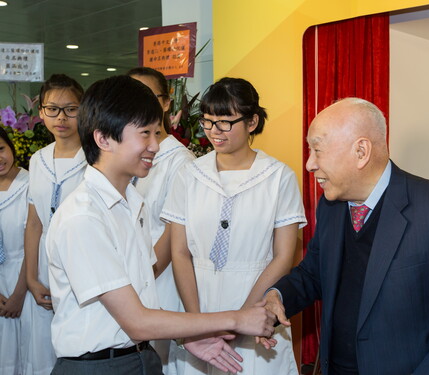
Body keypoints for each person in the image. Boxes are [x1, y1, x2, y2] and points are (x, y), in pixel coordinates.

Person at [45, 75, 276, 375]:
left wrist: (186, 336)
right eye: (144, 133)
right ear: (103, 139)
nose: (155, 145)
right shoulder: (84, 217)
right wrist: (236, 318)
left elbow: (140, 299)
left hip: (139, 357)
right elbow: (137, 321)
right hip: (101, 366)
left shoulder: (129, 202)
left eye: (157, 132)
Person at [262, 97, 429, 375]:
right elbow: (315, 273)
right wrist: (278, 297)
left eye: (317, 150)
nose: (309, 164)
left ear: (361, 151)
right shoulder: (330, 205)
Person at [162, 77, 306, 375]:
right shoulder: (189, 175)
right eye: (208, 121)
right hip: (199, 300)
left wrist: (241, 318)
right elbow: (179, 252)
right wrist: (198, 323)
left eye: (226, 122)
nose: (215, 131)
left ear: (252, 121)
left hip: (255, 302)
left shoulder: (279, 177)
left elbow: (283, 256)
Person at [127, 67, 197, 372]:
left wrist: (143, 272)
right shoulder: (127, 154)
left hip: (160, 277)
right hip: (130, 279)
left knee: (161, 362)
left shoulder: (179, 161)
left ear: (166, 103)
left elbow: (173, 232)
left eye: (147, 95)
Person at [24, 73, 86, 374]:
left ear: (84, 110)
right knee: (44, 347)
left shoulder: (96, 156)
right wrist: (31, 278)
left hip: (81, 259)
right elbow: (34, 223)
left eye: (71, 109)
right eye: (52, 109)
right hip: (44, 264)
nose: (61, 117)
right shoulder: (37, 160)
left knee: (76, 340)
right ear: (41, 113)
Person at [0, 127, 30, 375]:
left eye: (0, 149)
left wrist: (19, 293)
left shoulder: (30, 184)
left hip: (26, 279)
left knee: (25, 353)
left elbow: (35, 242)